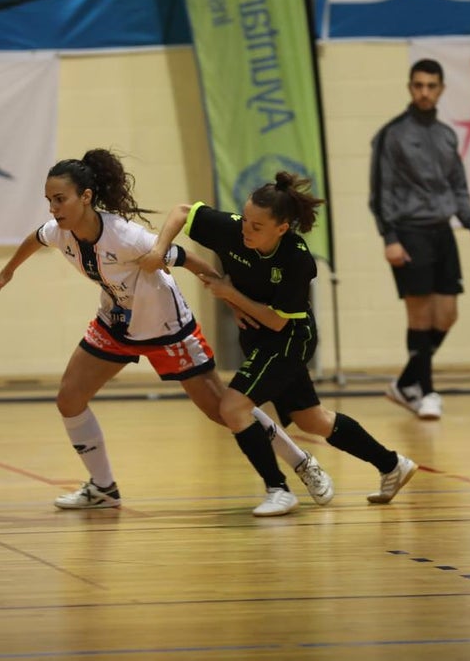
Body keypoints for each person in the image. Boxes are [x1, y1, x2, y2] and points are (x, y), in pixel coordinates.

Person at [0, 149, 332, 516]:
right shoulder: (61, 233)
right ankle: (103, 487)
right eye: (49, 201)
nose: (53, 208)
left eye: (60, 199)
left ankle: (301, 462)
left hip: (167, 329)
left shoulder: (124, 236)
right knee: (69, 399)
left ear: (85, 197)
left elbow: (187, 258)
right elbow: (35, 238)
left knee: (224, 410)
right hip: (117, 324)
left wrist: (230, 300)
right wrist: (9, 270)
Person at [142, 172, 418, 516]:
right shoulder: (232, 229)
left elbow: (277, 320)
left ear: (282, 228)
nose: (246, 230)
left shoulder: (296, 259)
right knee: (313, 420)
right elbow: (183, 211)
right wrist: (159, 248)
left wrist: (232, 295)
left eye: (257, 226)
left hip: (288, 340)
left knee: (232, 407)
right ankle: (392, 464)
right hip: (259, 336)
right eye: (245, 220)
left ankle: (279, 489)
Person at [368, 58, 470, 420]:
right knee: (419, 315)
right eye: (418, 85)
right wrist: (389, 236)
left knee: (447, 314)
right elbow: (381, 191)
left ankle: (406, 382)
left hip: (442, 231)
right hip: (408, 231)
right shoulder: (392, 134)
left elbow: (458, 185)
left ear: (441, 89)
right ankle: (426, 391)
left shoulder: (446, 135)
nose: (424, 92)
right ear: (410, 88)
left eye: (431, 86)